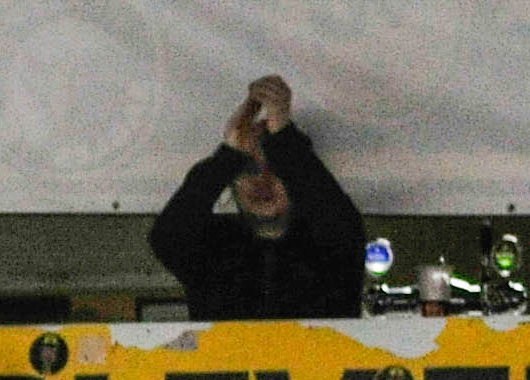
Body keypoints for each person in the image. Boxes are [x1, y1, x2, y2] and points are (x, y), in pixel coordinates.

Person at [151, 72, 370, 318]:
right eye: (250, 171)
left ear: (295, 178)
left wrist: (283, 136)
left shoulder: (328, 245)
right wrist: (229, 154)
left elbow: (340, 223)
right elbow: (168, 237)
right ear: (232, 183)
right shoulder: (214, 245)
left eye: (275, 172)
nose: (262, 183)